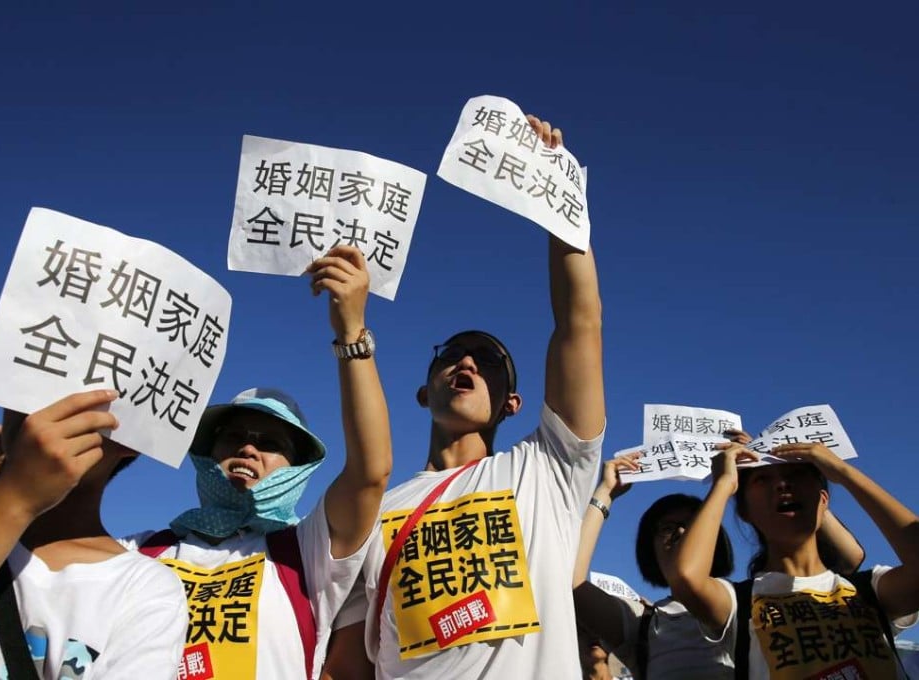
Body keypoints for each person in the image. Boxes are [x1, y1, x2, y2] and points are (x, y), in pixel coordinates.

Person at [330, 114, 606, 679]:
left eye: (490, 366)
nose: (467, 363)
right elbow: (349, 664)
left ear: (514, 404)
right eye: (452, 354)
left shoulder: (548, 469)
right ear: (421, 391)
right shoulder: (376, 507)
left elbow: (580, 325)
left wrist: (560, 207)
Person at [122, 244, 391, 679]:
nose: (248, 449)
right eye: (234, 437)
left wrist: (352, 332)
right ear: (207, 451)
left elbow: (370, 474)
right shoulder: (137, 551)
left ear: (296, 466)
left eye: (269, 442)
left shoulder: (307, 550)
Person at [0, 390, 188, 679]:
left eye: (82, 399)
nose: (46, 412)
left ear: (132, 438)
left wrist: (17, 498)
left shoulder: (143, 589)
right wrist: (9, 499)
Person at [572, 432, 864, 679]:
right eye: (668, 528)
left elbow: (848, 558)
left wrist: (768, 466)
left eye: (695, 524)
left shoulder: (753, 598)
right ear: (648, 547)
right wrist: (605, 493)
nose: (684, 534)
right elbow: (572, 583)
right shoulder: (641, 621)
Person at [672, 440, 919, 678]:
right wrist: (723, 484)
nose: (782, 484)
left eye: (797, 474)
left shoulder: (870, 590)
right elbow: (686, 578)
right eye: (762, 479)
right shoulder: (739, 602)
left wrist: (844, 472)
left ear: (823, 501)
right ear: (744, 511)